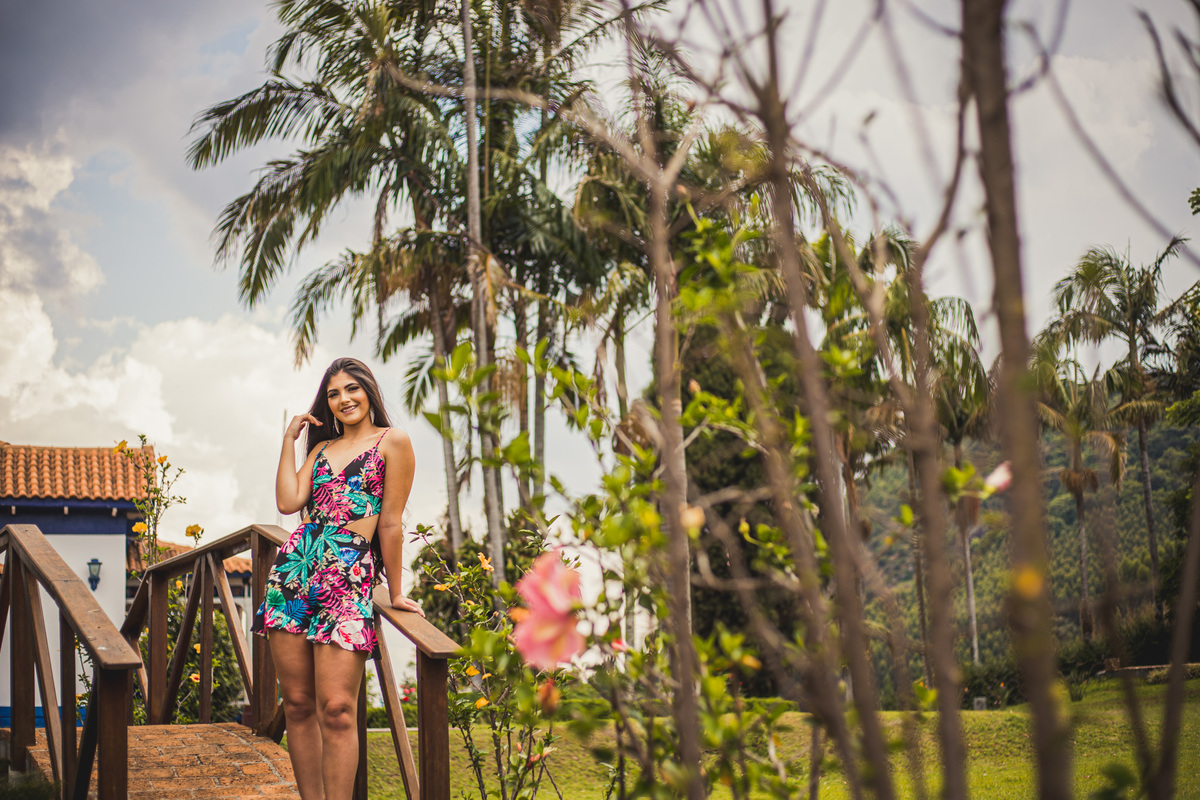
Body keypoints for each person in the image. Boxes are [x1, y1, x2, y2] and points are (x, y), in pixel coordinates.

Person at [253, 357, 423, 800]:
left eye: (351, 389)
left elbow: (391, 522)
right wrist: (289, 441)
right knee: (297, 704)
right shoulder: (320, 450)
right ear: (325, 403)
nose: (344, 399)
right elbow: (289, 502)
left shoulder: (392, 441)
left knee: (338, 709)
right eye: (333, 394)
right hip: (295, 570)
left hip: (347, 575)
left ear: (368, 391)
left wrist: (396, 592)